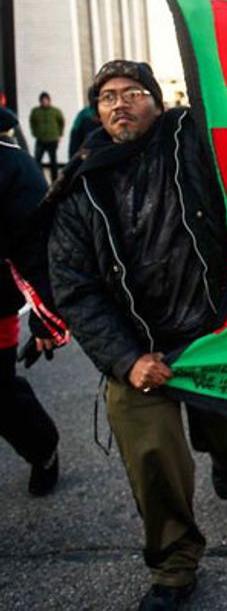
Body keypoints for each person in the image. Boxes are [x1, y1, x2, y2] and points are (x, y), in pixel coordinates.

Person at [47, 60, 227, 611]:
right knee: (155, 460)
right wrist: (125, 357)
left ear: (157, 103)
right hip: (140, 352)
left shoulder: (191, 144)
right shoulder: (80, 186)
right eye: (107, 96)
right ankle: (174, 568)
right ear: (97, 111)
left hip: (211, 338)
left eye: (133, 93)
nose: (120, 104)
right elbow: (74, 287)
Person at [0, 111, 69, 496]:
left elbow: (37, 242)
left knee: (1, 395)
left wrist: (46, 317)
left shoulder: (10, 161)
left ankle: (42, 448)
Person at [29, 91, 65, 179]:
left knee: (53, 161)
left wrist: (60, 134)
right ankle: (38, 177)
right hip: (40, 139)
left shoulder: (55, 111)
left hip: (52, 139)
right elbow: (32, 122)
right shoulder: (36, 111)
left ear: (49, 100)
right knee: (37, 160)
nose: (45, 102)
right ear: (40, 101)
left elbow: (62, 122)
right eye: (43, 100)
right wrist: (34, 133)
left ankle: (54, 179)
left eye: (46, 100)